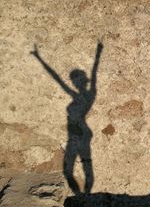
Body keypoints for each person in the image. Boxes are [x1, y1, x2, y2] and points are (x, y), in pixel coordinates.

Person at [31, 41, 103, 194]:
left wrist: (98, 53)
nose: (75, 83)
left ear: (83, 82)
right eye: (74, 81)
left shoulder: (88, 96)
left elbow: (94, 73)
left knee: (83, 166)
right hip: (76, 133)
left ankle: (85, 196)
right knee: (71, 169)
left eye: (78, 80)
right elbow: (57, 79)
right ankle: (82, 196)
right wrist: (39, 58)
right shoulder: (77, 96)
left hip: (81, 133)